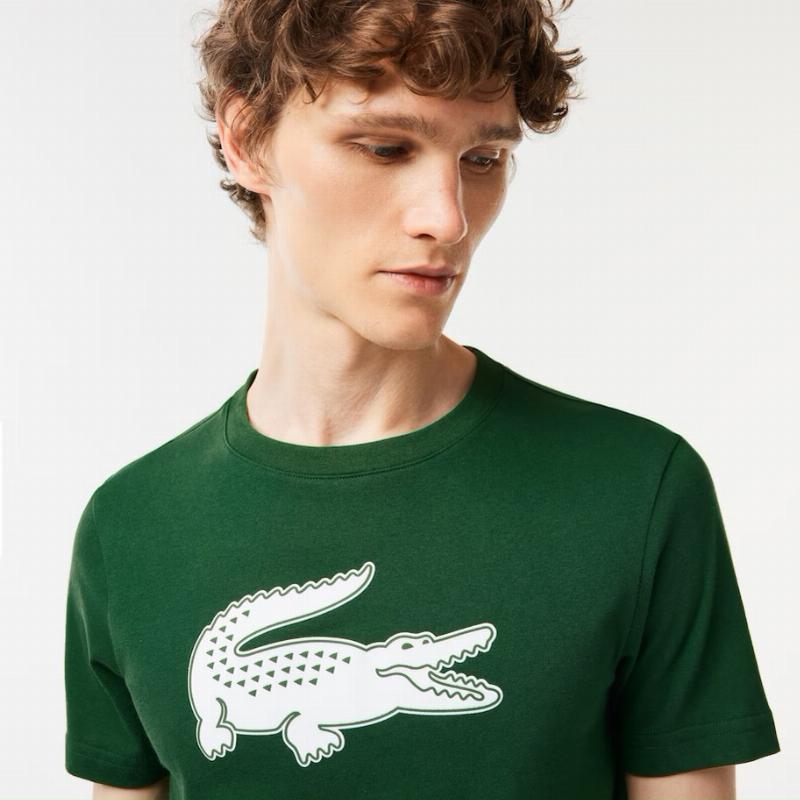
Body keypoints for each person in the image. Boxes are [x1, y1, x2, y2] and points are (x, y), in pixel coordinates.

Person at [63, 1, 780, 798]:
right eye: (385, 147)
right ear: (246, 140)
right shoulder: (130, 527)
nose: (448, 218)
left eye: (483, 157)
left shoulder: (638, 491)